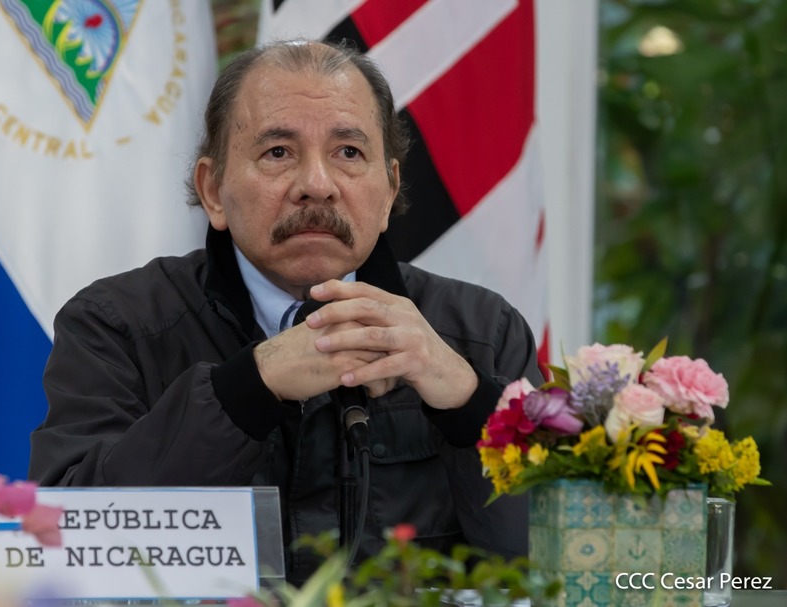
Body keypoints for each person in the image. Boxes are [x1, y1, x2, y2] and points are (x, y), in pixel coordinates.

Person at [28, 39, 542, 584]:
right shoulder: (116, 326)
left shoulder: (483, 332)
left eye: (349, 153)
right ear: (213, 191)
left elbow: (559, 562)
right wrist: (246, 390)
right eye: (278, 152)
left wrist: (472, 405)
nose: (316, 186)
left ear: (389, 191)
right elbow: (63, 551)